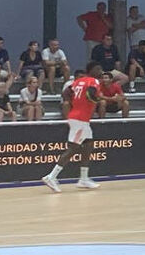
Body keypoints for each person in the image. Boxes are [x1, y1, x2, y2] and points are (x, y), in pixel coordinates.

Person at [41, 64, 104, 192]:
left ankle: (83, 178)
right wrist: (105, 99)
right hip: (80, 119)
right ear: (91, 70)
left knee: (88, 145)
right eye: (98, 69)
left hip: (79, 118)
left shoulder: (78, 81)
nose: (101, 71)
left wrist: (75, 103)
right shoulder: (94, 81)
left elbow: (66, 92)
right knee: (73, 148)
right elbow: (91, 94)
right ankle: (51, 177)